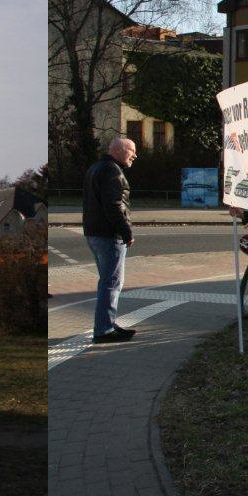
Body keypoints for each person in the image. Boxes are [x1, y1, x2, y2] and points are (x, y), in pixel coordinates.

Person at [82, 137, 138, 343]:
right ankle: (104, 330)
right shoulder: (112, 171)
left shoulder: (96, 168)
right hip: (108, 235)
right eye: (132, 150)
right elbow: (114, 206)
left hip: (94, 233)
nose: (134, 155)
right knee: (111, 283)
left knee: (107, 281)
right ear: (119, 150)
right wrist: (127, 232)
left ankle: (107, 323)